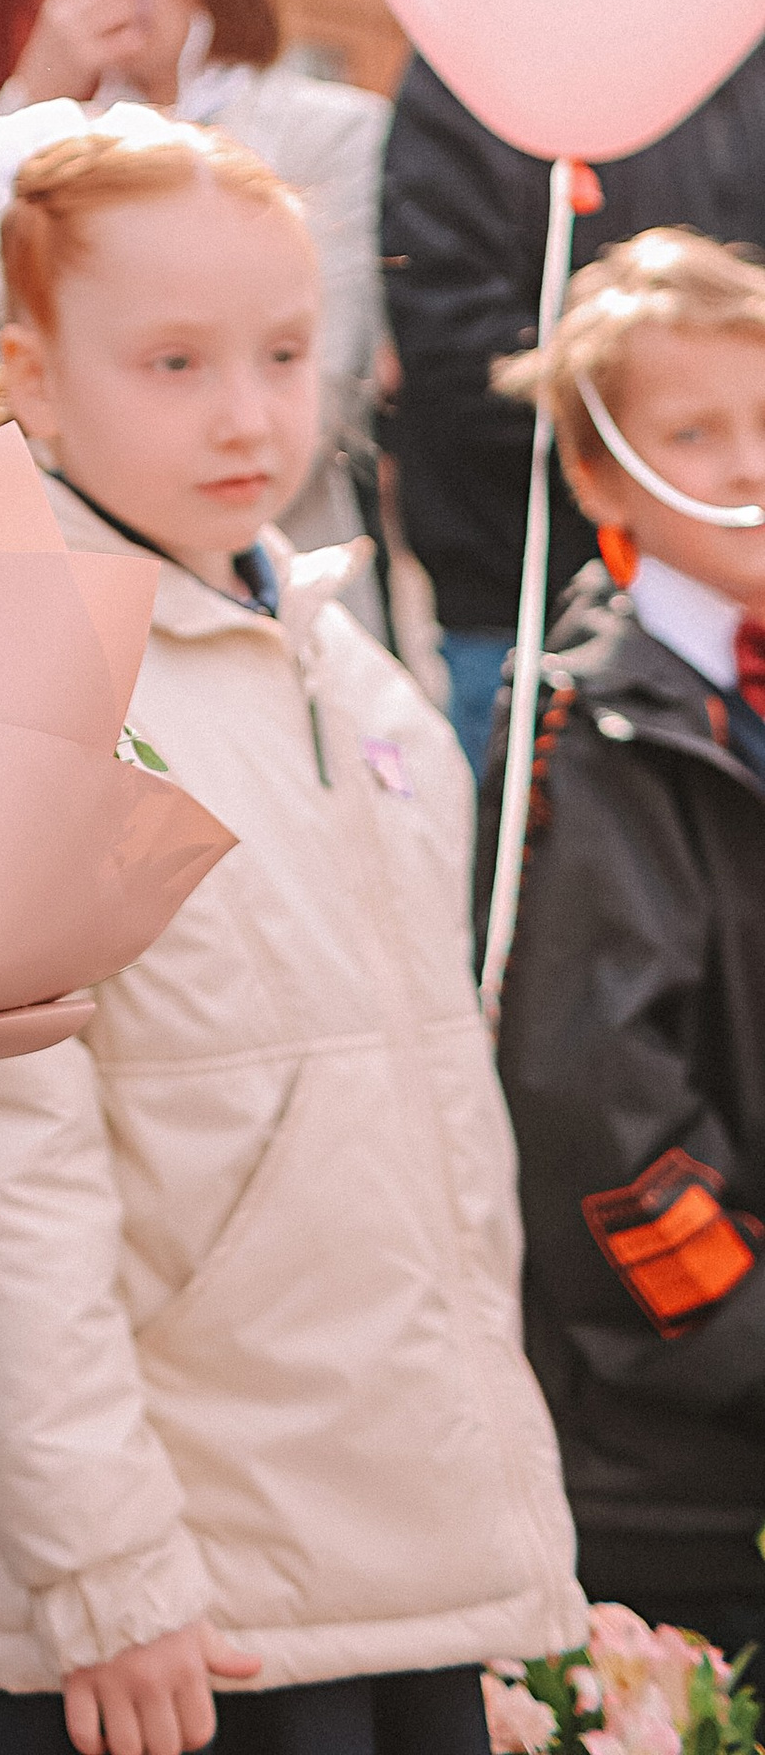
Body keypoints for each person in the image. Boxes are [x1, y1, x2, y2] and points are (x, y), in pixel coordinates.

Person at [0, 104, 578, 1755]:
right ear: (38, 377)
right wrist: (106, 1570)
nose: (249, 413)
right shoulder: (13, 660)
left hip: (374, 1543)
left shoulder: (340, 648)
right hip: (175, 1602)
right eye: (175, 362)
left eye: (283, 351)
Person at [484, 229, 765, 1666]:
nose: (747, 465)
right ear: (599, 480)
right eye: (694, 434)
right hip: (679, 1433)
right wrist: (746, 1333)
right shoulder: (585, 735)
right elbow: (593, 1101)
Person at [0, 0, 388, 565]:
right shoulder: (60, 138)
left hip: (266, 566)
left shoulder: (330, 132)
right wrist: (29, 98)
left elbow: (320, 392)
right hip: (83, 566)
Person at [384, 39, 765, 776]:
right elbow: (448, 320)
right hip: (519, 589)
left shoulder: (742, 44)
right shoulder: (482, 49)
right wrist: (627, 433)